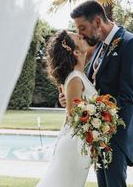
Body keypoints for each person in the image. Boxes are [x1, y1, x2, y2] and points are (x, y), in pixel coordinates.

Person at [62, 0, 133, 187]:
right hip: (97, 136)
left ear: (97, 22)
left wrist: (106, 131)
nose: (80, 34)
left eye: (82, 28)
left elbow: (128, 96)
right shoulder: (98, 45)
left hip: (113, 136)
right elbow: (94, 87)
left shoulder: (130, 43)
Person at [36, 29, 97, 187]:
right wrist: (100, 120)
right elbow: (73, 117)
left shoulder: (79, 74)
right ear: (76, 51)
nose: (81, 35)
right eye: (78, 37)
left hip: (78, 144)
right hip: (74, 146)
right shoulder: (75, 78)